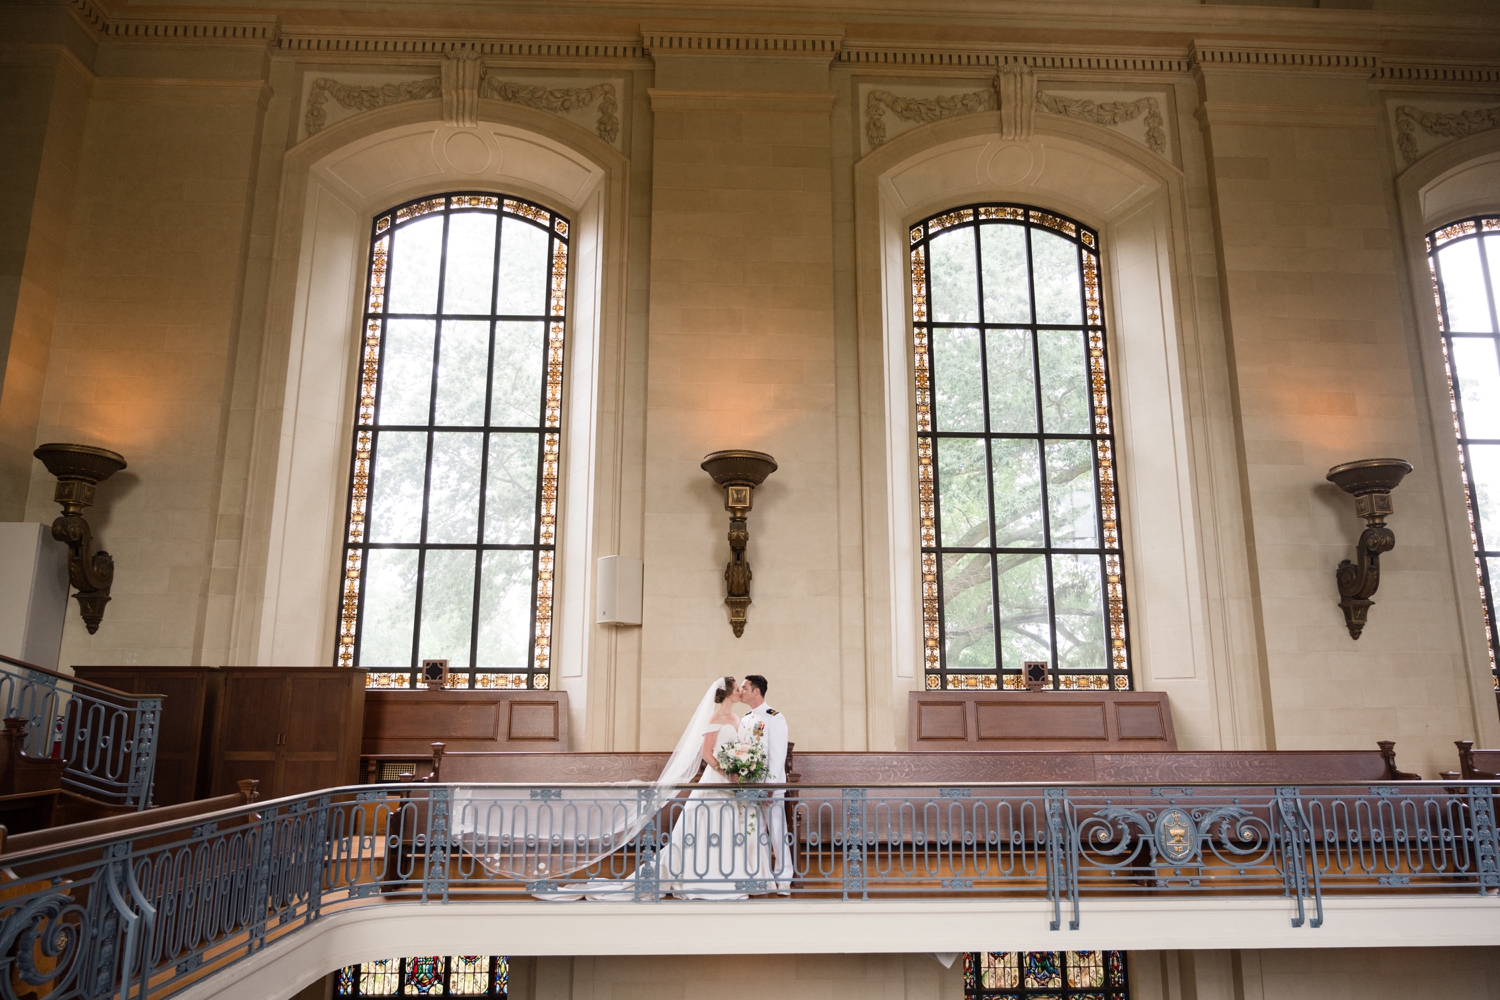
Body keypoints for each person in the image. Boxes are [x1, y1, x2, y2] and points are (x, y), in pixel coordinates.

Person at [657, 676, 775, 899]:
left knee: (735, 826)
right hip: (718, 778)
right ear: (727, 693)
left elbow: (741, 746)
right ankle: (703, 875)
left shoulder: (737, 717)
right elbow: (706, 753)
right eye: (736, 688)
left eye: (743, 688)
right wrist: (726, 773)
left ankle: (737, 875)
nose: (740, 691)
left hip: (736, 781)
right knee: (710, 824)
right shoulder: (716, 717)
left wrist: (744, 766)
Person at [738, 674, 792, 892]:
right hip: (749, 785)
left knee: (777, 831)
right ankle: (762, 877)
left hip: (770, 787)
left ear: (756, 691)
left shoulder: (774, 717)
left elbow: (778, 755)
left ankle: (784, 878)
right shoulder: (745, 719)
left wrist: (770, 786)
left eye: (744, 687)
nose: (740, 691)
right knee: (755, 831)